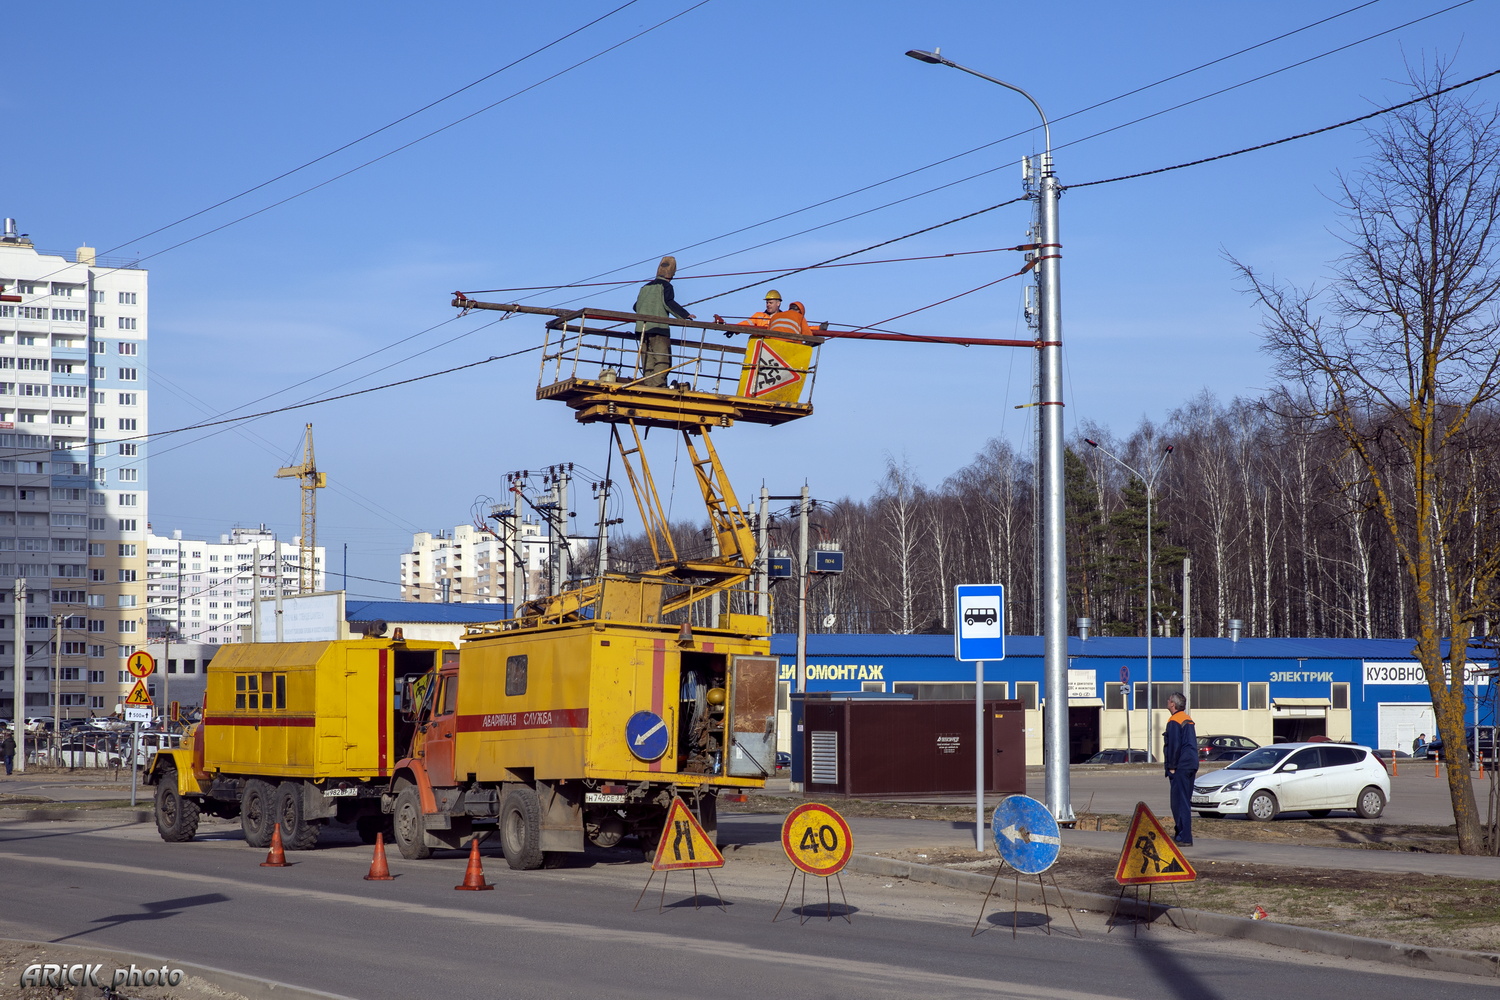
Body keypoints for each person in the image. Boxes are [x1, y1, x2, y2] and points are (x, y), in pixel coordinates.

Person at [633, 256, 694, 387]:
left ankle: (648, 384)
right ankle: (657, 385)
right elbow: (668, 303)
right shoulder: (666, 286)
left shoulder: (644, 288)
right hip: (659, 328)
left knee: (647, 359)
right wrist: (685, 316)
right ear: (672, 274)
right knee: (663, 360)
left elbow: (636, 306)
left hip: (641, 329)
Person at [1162, 691, 1197, 846]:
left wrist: (1172, 766)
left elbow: (1174, 745)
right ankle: (1181, 834)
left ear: (1173, 704)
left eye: (1169, 699)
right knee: (1184, 801)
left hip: (1181, 766)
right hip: (1191, 764)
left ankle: (1184, 837)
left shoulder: (1175, 721)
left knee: (1179, 802)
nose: (1167, 701)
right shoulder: (1187, 719)